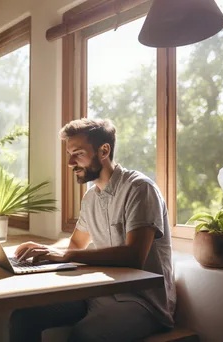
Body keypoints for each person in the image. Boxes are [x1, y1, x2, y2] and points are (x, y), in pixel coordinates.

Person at [10, 118, 176, 342]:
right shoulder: (90, 197)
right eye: (69, 154)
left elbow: (134, 256)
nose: (70, 162)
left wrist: (66, 255)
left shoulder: (139, 188)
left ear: (104, 150)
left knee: (83, 336)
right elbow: (77, 244)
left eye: (77, 153)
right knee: (24, 316)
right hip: (98, 291)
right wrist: (43, 250)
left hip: (142, 301)